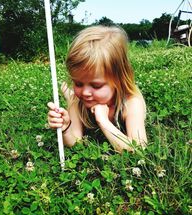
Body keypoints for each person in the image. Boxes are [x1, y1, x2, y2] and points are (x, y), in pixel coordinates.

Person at [47, 25, 147, 153]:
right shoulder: (78, 101)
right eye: (78, 83)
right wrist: (65, 128)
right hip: (73, 98)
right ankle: (67, 91)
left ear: (118, 80)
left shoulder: (131, 102)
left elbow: (139, 150)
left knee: (72, 95)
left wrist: (103, 121)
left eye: (96, 86)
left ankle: (68, 90)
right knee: (72, 96)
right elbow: (74, 143)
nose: (85, 92)